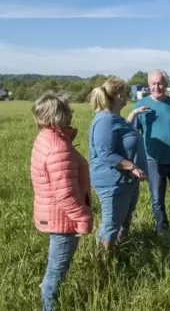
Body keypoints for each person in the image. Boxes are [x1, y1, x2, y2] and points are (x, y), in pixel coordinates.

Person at [30, 91, 93, 311]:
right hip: (63, 219)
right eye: (68, 111)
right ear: (58, 116)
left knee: (54, 266)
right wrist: (83, 218)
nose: (71, 114)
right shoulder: (58, 148)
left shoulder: (47, 138)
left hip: (53, 215)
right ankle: (49, 305)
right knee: (56, 271)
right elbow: (66, 193)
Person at [129, 69, 170, 234]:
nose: (157, 87)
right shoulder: (140, 106)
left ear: (165, 84)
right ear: (148, 85)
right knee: (157, 199)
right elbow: (132, 135)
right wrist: (135, 162)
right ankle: (161, 228)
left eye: (160, 83)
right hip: (153, 161)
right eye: (153, 83)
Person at [88, 77, 149, 253]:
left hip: (126, 181)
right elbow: (105, 152)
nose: (128, 96)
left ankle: (119, 255)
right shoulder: (105, 120)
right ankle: (103, 265)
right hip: (113, 182)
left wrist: (134, 114)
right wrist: (133, 167)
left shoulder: (115, 118)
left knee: (123, 221)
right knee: (111, 224)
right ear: (120, 95)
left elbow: (123, 134)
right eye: (126, 92)